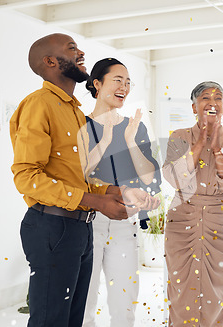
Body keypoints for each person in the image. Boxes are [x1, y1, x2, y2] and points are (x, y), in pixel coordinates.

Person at [10, 33, 158, 327]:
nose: (81, 53)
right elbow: (26, 176)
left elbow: (82, 178)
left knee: (72, 320)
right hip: (53, 227)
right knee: (52, 320)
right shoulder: (39, 104)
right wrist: (96, 201)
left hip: (80, 227)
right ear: (51, 61)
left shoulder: (75, 113)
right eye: (71, 48)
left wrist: (116, 191)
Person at [162, 81, 223, 326]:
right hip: (182, 219)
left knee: (218, 289)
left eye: (218, 98)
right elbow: (174, 177)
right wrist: (199, 145)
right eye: (205, 98)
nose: (212, 102)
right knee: (180, 287)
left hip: (220, 220)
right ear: (194, 107)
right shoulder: (179, 136)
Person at [81, 58, 162, 327]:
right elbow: (77, 176)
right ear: (96, 84)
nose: (124, 87)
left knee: (124, 304)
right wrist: (104, 141)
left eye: (128, 82)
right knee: (84, 304)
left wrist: (129, 141)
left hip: (125, 224)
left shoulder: (135, 126)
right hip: (87, 223)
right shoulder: (79, 124)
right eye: (118, 80)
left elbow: (150, 175)